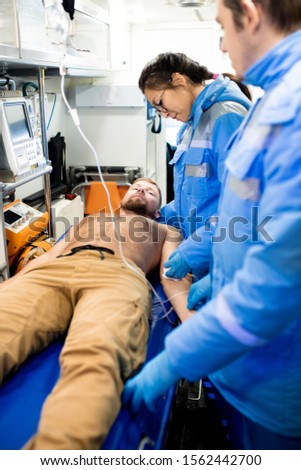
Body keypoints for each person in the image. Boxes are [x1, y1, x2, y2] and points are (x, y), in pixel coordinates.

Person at [123, 0, 301, 450]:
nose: (221, 44)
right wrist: (212, 263)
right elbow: (250, 217)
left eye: (222, 27)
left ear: (250, 13)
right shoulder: (268, 107)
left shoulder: (272, 114)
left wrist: (175, 359)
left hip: (270, 374)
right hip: (240, 347)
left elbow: (274, 278)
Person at [0, 178, 195, 450]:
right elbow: (48, 257)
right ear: (122, 199)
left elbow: (172, 276)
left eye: (150, 191)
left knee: (97, 356)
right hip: (55, 272)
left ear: (157, 211)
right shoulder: (89, 220)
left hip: (119, 276)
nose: (141, 189)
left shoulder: (165, 230)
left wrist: (195, 328)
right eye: (136, 187)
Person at [139, 52, 252, 294]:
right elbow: (193, 197)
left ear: (178, 80)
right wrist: (157, 216)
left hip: (228, 261)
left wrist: (192, 252)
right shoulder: (191, 126)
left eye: (160, 102)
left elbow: (244, 206)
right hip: (207, 258)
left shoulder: (226, 118)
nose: (163, 113)